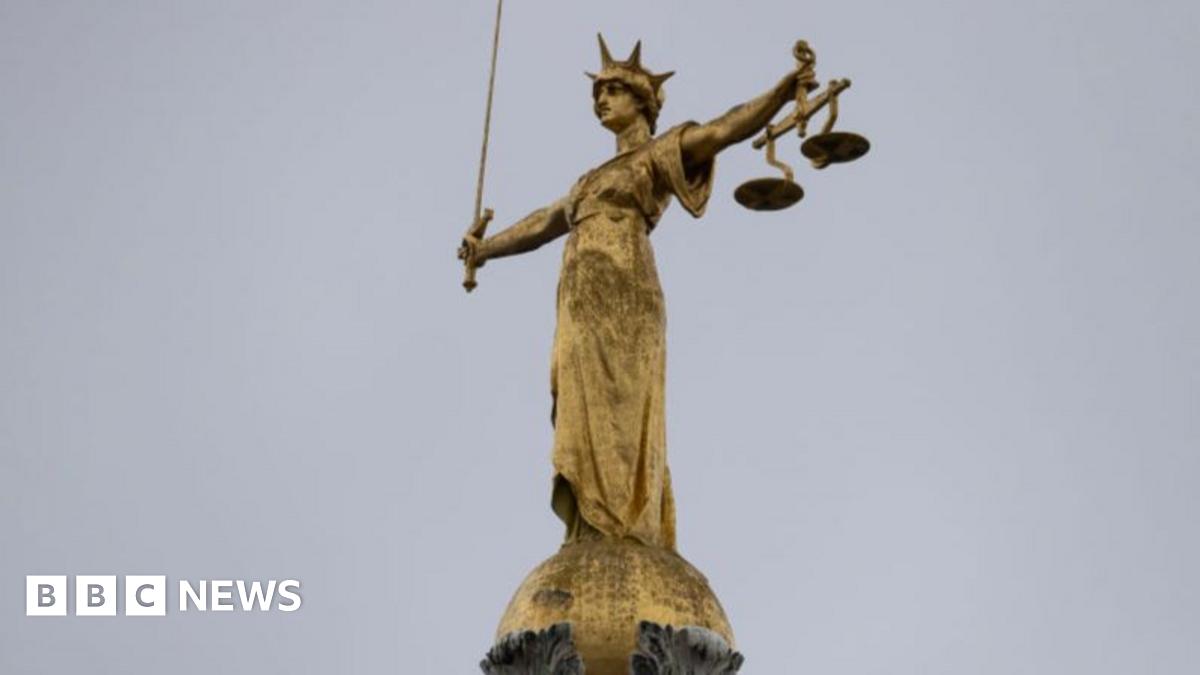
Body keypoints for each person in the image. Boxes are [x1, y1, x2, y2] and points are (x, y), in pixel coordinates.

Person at [459, 35, 802, 551]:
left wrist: (783, 91)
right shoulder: (588, 181)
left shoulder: (656, 155)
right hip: (579, 288)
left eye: (613, 90)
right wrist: (485, 250)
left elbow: (724, 129)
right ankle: (591, 522)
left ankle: (626, 520)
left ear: (642, 101)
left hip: (626, 282)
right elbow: (545, 222)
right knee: (579, 398)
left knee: (624, 395)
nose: (601, 100)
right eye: (598, 92)